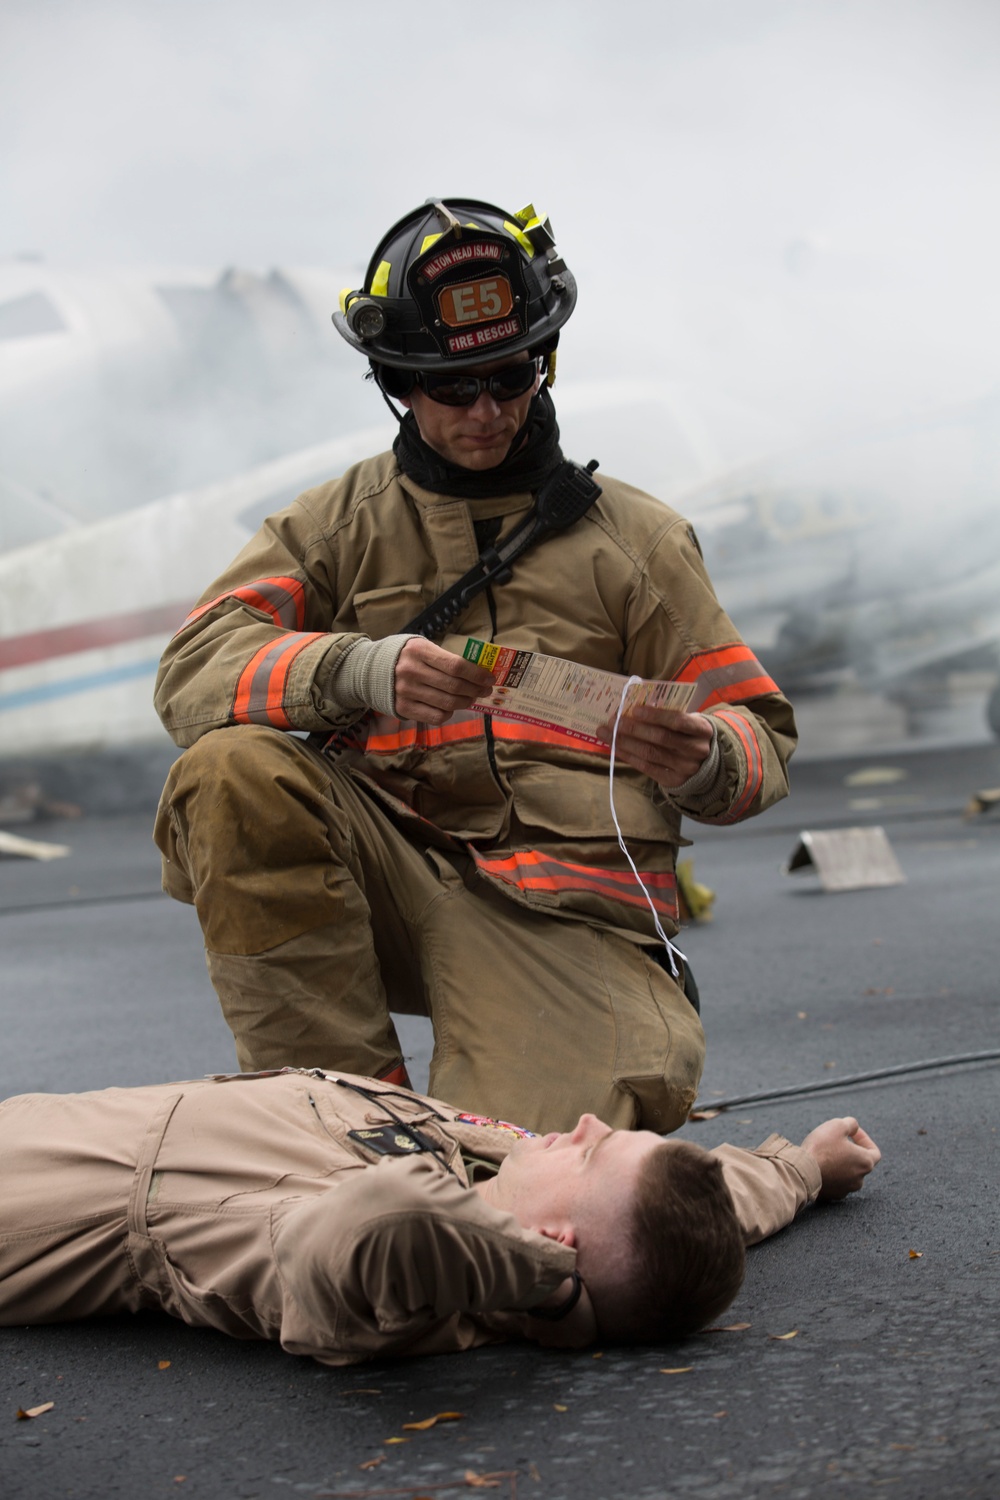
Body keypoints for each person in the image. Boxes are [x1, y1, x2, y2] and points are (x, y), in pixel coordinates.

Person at [153, 197, 797, 1135]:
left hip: (572, 918)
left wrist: (701, 753)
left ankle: (474, 1130)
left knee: (535, 1180)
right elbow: (192, 674)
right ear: (397, 383)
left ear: (544, 365)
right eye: (455, 390)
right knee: (229, 773)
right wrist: (355, 670)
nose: (488, 412)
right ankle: (349, 1130)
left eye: (511, 376)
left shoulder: (639, 542)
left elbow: (764, 741)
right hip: (394, 872)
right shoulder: (334, 529)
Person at [0, 1068, 880, 1365]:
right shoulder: (501, 1176)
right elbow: (694, 1215)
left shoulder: (391, 1291)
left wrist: (549, 1291)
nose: (581, 1126)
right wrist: (797, 1167)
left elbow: (384, 1220)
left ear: (553, 1246)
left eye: (594, 1152)